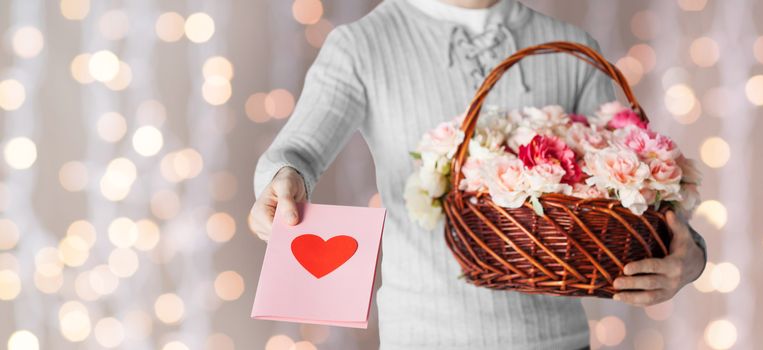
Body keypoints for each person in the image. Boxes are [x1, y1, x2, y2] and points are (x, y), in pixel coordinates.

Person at [249, 0, 707, 349]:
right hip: (424, 339)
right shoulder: (363, 45)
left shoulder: (572, 47)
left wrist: (691, 255)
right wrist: (282, 181)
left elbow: (637, 185)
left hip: (557, 340)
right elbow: (299, 150)